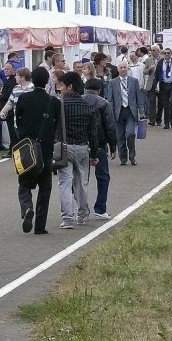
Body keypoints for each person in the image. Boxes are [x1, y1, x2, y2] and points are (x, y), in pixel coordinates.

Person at [15, 67, 61, 234]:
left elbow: (18, 119)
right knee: (45, 188)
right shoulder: (53, 101)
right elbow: (56, 124)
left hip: (27, 148)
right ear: (47, 81)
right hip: (45, 150)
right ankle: (40, 226)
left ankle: (27, 207)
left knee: (24, 184)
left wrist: (23, 135)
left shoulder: (23, 98)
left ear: (32, 80)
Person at [57, 72, 99, 229]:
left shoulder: (60, 106)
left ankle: (67, 218)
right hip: (82, 147)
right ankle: (82, 215)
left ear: (69, 87)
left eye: (62, 86)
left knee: (65, 183)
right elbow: (93, 133)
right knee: (81, 183)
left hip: (64, 148)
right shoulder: (88, 107)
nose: (60, 89)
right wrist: (94, 154)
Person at [83, 78, 118, 220]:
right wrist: (113, 146)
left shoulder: (79, 101)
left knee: (81, 178)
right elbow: (110, 126)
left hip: (81, 143)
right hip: (99, 143)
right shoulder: (103, 103)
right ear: (99, 90)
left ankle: (81, 209)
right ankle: (100, 207)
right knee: (103, 177)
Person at [108, 61, 144, 167]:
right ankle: (123, 158)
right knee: (120, 137)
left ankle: (132, 156)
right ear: (118, 70)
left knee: (130, 134)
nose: (123, 69)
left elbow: (138, 97)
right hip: (118, 112)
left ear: (127, 69)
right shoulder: (112, 82)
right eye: (121, 68)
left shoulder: (134, 81)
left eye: (125, 67)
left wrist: (141, 110)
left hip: (130, 112)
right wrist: (110, 112)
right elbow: (110, 99)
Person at [154, 48, 172, 129]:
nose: (167, 54)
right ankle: (166, 123)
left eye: (168, 53)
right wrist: (156, 85)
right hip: (163, 85)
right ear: (163, 54)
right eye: (165, 53)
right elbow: (156, 75)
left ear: (171, 54)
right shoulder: (160, 62)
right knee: (165, 104)